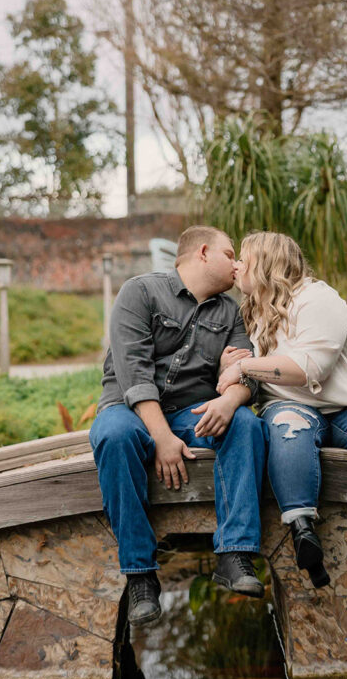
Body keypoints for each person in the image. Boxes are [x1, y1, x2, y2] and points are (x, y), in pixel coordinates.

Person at [90, 225, 268, 628]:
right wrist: (162, 438)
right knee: (113, 436)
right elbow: (133, 374)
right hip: (129, 409)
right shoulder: (141, 292)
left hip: (192, 411)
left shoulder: (232, 312)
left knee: (246, 425)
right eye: (230, 254)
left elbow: (249, 375)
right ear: (203, 252)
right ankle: (140, 575)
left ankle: (234, 553)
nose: (237, 264)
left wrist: (229, 399)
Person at [217, 231, 347, 593]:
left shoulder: (318, 298)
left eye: (244, 257)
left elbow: (310, 369)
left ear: (267, 263)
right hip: (294, 406)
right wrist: (227, 368)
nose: (237, 265)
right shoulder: (248, 312)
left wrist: (245, 368)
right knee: (288, 432)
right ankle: (303, 531)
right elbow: (238, 375)